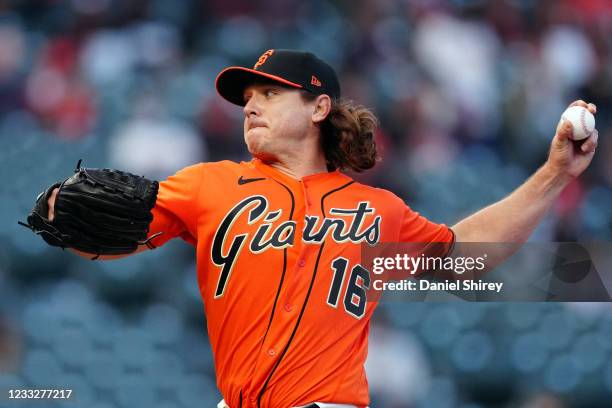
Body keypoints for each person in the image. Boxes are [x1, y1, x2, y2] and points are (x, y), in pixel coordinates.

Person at [30, 49, 598, 408]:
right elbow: (116, 229)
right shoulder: (209, 186)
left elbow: (463, 255)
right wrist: (65, 210)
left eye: (270, 94)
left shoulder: (376, 211)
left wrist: (553, 174)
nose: (250, 108)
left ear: (319, 107)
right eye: (247, 99)